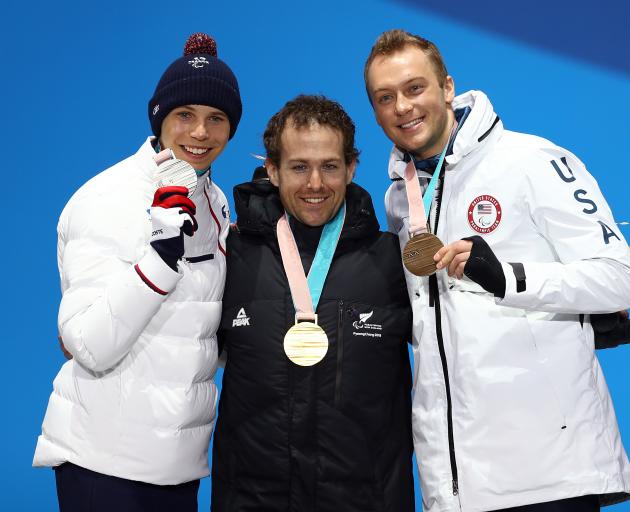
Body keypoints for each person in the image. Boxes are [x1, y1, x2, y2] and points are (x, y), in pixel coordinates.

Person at [364, 29, 630, 512]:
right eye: (385, 97)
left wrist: (509, 277)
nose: (402, 106)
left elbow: (619, 276)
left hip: (548, 474)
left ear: (446, 87)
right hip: (456, 481)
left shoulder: (531, 160)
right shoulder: (400, 196)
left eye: (414, 88)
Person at [33, 33, 241, 512]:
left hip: (178, 463)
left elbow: (198, 331)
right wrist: (160, 257)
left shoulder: (213, 200)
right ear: (159, 118)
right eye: (184, 115)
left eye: (217, 119)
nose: (200, 133)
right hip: (104, 465)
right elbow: (88, 343)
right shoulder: (107, 199)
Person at [211, 95, 415, 511]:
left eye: (330, 166)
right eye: (299, 167)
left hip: (366, 500)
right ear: (272, 170)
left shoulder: (390, 259)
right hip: (252, 499)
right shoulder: (231, 256)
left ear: (352, 167)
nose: (315, 184)